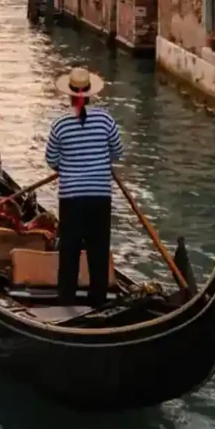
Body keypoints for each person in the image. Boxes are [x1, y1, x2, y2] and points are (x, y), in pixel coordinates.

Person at [45, 66, 123, 309]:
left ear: (69, 95)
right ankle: (97, 302)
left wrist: (70, 163)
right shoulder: (106, 120)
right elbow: (118, 153)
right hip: (100, 196)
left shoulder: (60, 125)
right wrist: (98, 160)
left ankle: (66, 301)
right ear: (90, 94)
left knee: (69, 250)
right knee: (98, 250)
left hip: (71, 198)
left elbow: (51, 160)